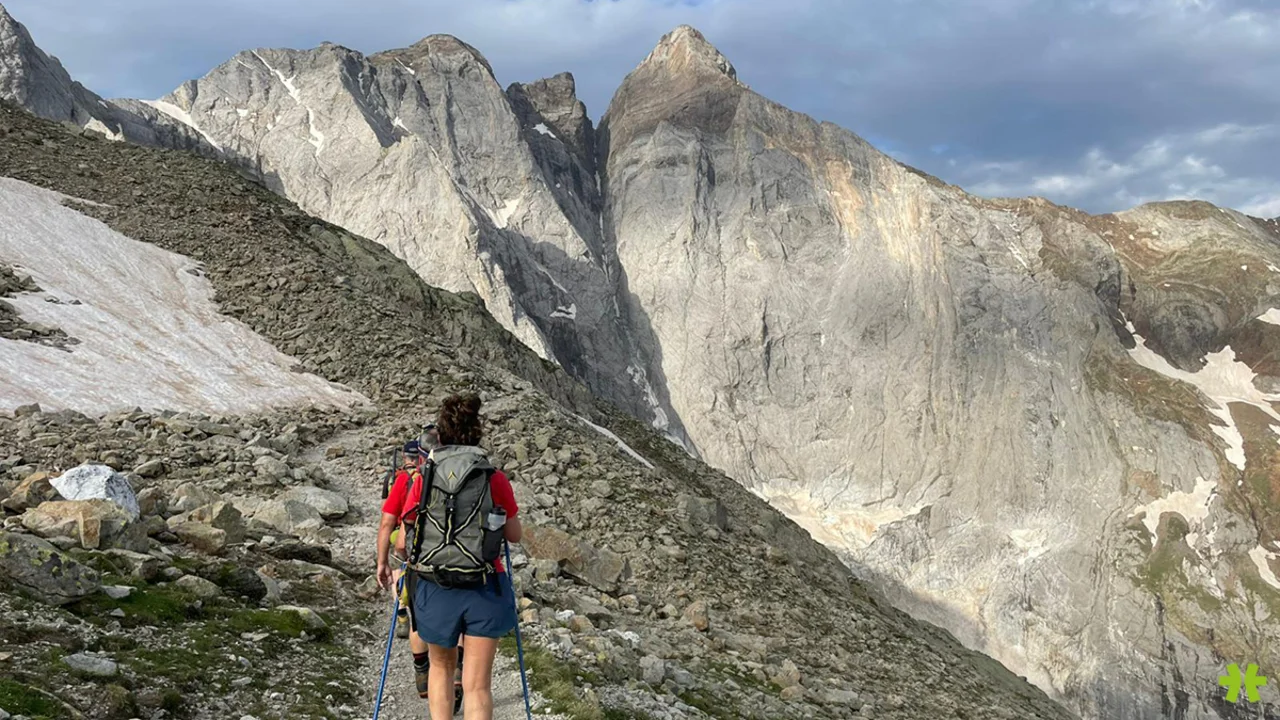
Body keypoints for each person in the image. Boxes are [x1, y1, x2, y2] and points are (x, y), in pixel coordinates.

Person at [390, 393, 522, 720]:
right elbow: (514, 535)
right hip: (484, 585)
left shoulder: (424, 476)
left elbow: (403, 543)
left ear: (441, 436)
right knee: (477, 686)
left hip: (435, 585)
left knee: (441, 668)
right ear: (476, 433)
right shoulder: (493, 477)